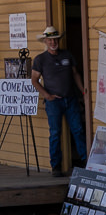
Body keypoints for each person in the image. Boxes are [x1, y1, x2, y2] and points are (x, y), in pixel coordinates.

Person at [30, 25, 86, 176]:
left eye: (55, 39)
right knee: (55, 133)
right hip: (53, 102)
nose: (53, 42)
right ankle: (56, 167)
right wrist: (46, 95)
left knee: (78, 130)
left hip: (71, 99)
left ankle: (85, 161)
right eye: (50, 40)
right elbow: (34, 80)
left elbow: (75, 74)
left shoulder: (67, 55)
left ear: (58, 40)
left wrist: (83, 90)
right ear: (45, 42)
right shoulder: (40, 59)